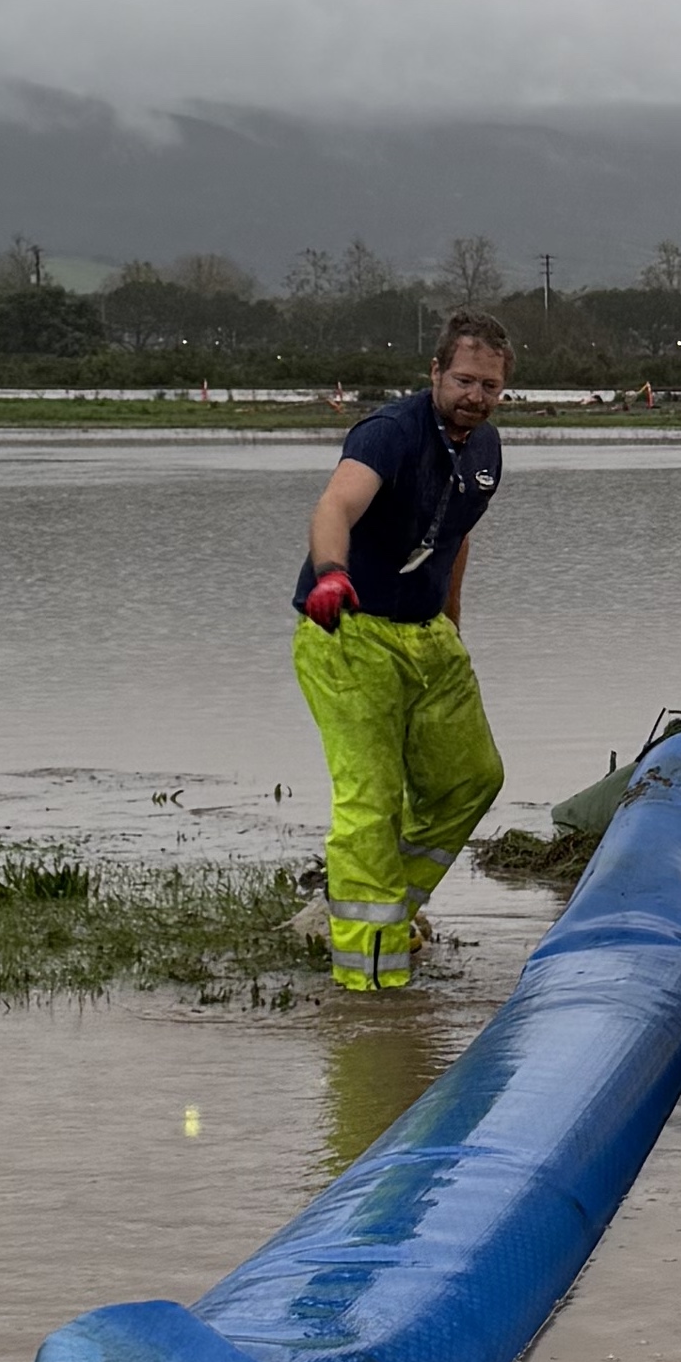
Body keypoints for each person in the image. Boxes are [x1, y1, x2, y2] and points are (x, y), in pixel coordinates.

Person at [293, 312, 511, 990]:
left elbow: (457, 536)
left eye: (492, 386)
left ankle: (371, 908)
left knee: (473, 778)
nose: (477, 395)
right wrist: (332, 571)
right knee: (372, 798)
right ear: (436, 373)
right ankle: (370, 981)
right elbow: (333, 506)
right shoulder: (389, 433)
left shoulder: (486, 450)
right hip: (349, 630)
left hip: (427, 637)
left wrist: (451, 620)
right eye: (466, 379)